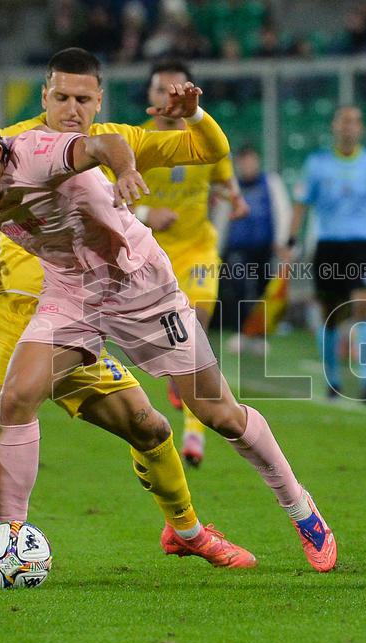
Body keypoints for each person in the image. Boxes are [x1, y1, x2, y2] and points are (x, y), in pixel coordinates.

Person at [0, 91, 338, 573]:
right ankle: (8, 544)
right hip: (72, 293)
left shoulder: (36, 152)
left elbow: (106, 147)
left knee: (218, 412)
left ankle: (302, 511)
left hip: (139, 286)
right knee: (15, 398)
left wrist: (124, 172)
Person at [132, 60, 249, 467]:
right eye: (159, 89)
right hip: (151, 255)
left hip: (199, 248)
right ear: (149, 96)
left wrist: (236, 198)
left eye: (174, 90)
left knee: (196, 330)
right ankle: (181, 389)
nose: (167, 98)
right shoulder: (135, 142)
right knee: (174, 346)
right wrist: (147, 213)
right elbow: (109, 198)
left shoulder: (204, 137)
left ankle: (195, 432)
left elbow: (224, 174)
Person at [288, 105, 366, 401]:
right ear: (334, 127)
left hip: (364, 245)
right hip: (329, 245)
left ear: (361, 128)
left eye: (355, 121)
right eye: (344, 121)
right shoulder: (317, 164)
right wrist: (291, 240)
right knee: (331, 315)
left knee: (365, 308)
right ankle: (334, 379)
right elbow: (301, 204)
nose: (349, 126)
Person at [220, 145, 291, 354]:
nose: (247, 165)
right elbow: (222, 216)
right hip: (237, 246)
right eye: (243, 161)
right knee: (238, 287)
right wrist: (217, 247)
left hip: (264, 247)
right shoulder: (231, 185)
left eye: (250, 160)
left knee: (262, 290)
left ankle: (259, 335)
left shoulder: (271, 182)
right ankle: (241, 332)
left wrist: (282, 241)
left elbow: (282, 210)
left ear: (257, 161)